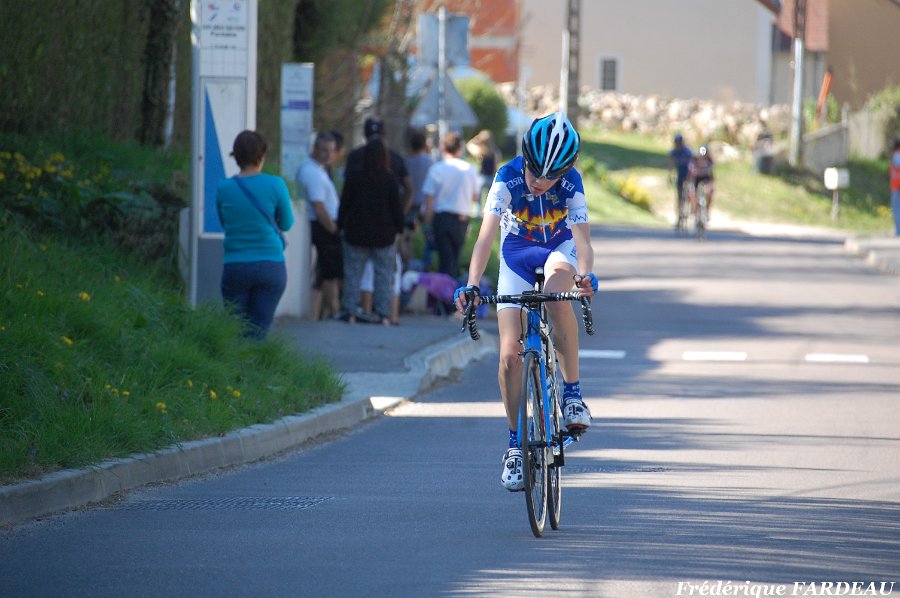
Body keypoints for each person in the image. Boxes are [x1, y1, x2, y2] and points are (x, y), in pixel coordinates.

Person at [453, 112, 598, 492]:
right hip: (516, 255)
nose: (540, 182)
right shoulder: (507, 177)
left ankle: (572, 394)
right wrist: (471, 285)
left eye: (551, 176)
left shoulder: (572, 182)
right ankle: (515, 444)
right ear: (525, 158)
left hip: (558, 250)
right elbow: (485, 238)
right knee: (508, 357)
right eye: (535, 171)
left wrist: (584, 275)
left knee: (557, 299)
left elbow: (582, 241)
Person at [216, 130, 295, 340]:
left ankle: (235, 361)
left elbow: (225, 224)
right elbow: (287, 224)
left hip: (235, 266)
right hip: (270, 266)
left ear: (236, 157)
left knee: (235, 332)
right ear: (262, 156)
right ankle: (256, 360)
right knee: (258, 332)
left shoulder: (224, 188)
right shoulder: (276, 184)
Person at [337, 137, 406, 324]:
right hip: (384, 235)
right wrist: (399, 228)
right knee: (384, 275)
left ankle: (350, 310)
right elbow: (396, 208)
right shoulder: (389, 179)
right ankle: (383, 314)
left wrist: (340, 225)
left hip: (356, 233)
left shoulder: (353, 177)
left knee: (353, 274)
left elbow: (345, 204)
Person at [422, 131, 481, 278]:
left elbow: (429, 200)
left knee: (445, 260)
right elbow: (475, 197)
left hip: (441, 218)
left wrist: (427, 223)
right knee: (454, 258)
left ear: (443, 148)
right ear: (460, 149)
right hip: (462, 219)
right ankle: (451, 286)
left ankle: (446, 289)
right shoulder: (470, 169)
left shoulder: (436, 169)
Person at [296, 131, 341, 320]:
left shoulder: (319, 169)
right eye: (324, 150)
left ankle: (322, 312)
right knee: (329, 271)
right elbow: (319, 205)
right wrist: (333, 229)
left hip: (326, 224)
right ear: (315, 148)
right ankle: (334, 310)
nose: (328, 154)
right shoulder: (311, 172)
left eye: (331, 150)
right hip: (323, 226)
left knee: (325, 273)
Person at [403, 129, 435, 269]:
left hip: (409, 202)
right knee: (427, 235)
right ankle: (426, 265)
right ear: (424, 145)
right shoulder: (430, 161)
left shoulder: (405, 161)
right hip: (425, 203)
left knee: (407, 233)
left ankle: (407, 262)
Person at [669, 133, 693, 229]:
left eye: (679, 143)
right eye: (676, 143)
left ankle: (690, 214)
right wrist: (670, 175)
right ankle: (679, 218)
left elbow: (692, 165)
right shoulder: (673, 152)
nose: (678, 145)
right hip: (680, 175)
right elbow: (671, 164)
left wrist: (690, 177)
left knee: (689, 194)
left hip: (688, 174)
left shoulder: (687, 152)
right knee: (679, 196)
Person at [689, 144, 715, 220]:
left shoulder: (709, 160)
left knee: (709, 193)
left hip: (706, 177)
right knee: (692, 193)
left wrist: (711, 185)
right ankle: (694, 210)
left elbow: (711, 174)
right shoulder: (695, 159)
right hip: (696, 177)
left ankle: (707, 211)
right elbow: (691, 172)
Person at [891, 138, 900, 235]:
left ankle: (898, 231)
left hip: (897, 187)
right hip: (896, 186)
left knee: (897, 209)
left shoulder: (897, 155)